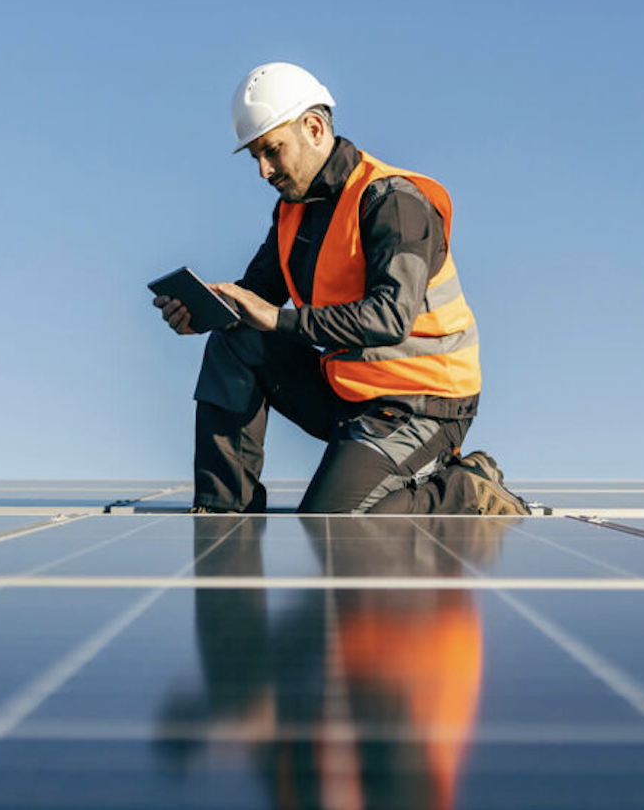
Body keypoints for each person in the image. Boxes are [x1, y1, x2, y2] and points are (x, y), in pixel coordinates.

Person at [154, 62, 530, 515]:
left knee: (332, 524)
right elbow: (255, 298)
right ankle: (224, 511)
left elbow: (390, 318)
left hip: (423, 404)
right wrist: (206, 313)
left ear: (314, 128)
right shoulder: (293, 212)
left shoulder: (393, 201)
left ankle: (463, 489)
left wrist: (276, 318)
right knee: (237, 338)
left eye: (271, 151)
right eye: (255, 156)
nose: (263, 170)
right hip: (348, 393)